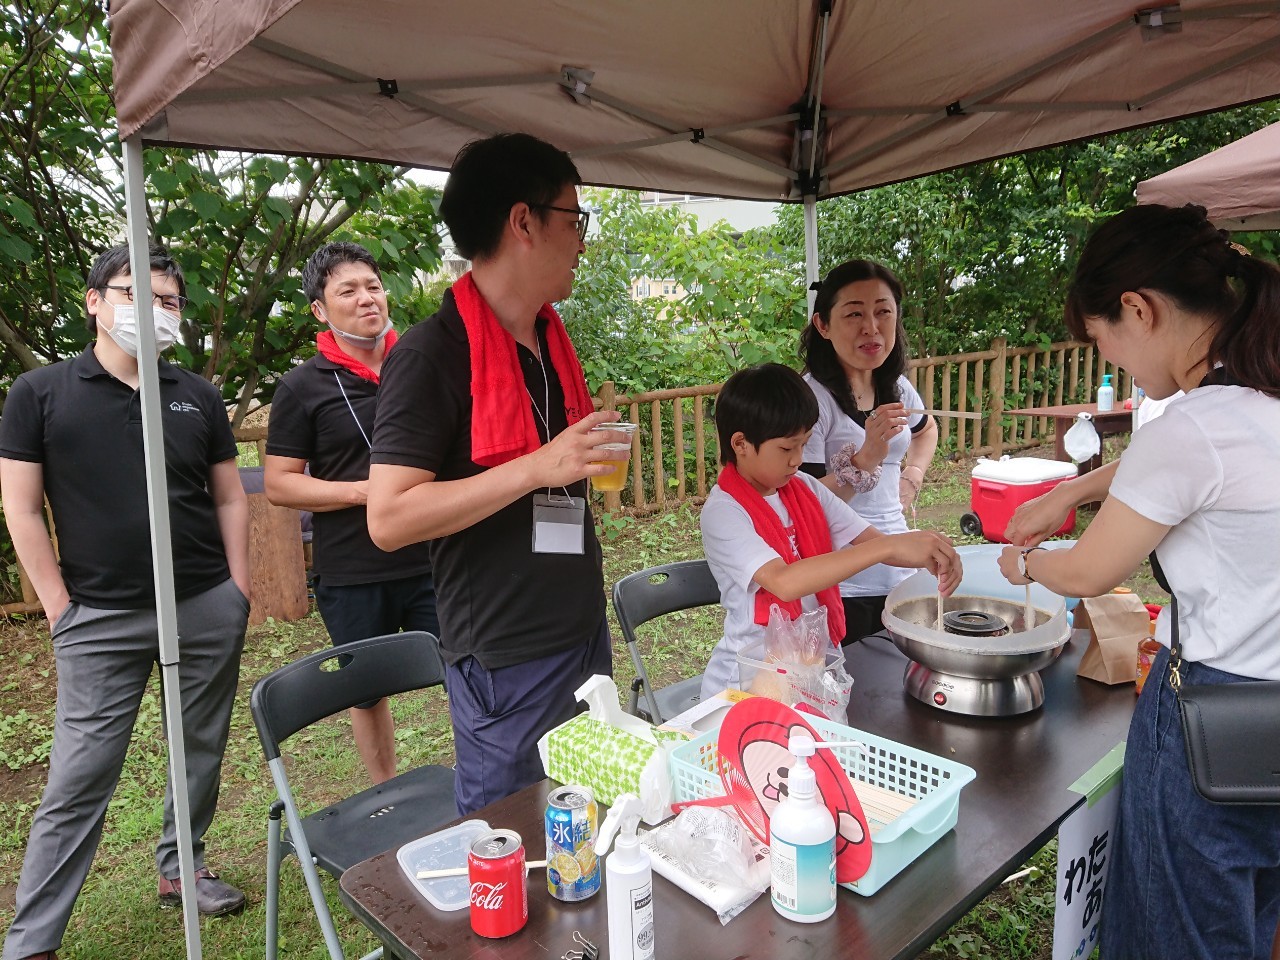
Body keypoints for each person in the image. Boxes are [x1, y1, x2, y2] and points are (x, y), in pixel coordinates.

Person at [996, 203, 1280, 960]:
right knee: (1250, 914)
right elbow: (1203, 469)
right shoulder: (1262, 395)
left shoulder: (1189, 428)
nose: (1118, 365)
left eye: (1105, 342)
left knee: (1175, 928)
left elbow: (1089, 569)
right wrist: (1072, 491)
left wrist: (1024, 563)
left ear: (1137, 309)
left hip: (1210, 715)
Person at [0, 244, 251, 960]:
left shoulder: (194, 393)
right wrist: (57, 607)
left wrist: (237, 589)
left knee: (198, 749)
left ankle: (183, 868)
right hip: (98, 620)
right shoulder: (40, 393)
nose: (156, 310)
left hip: (204, 604)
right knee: (81, 774)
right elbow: (20, 509)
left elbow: (229, 494)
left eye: (170, 300)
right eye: (137, 294)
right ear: (93, 301)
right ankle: (33, 939)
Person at [365, 133, 626, 816]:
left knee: (588, 820)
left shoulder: (545, 340)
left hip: (577, 625)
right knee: (513, 840)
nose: (581, 240)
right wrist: (539, 466)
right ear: (523, 222)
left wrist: (579, 451)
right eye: (574, 220)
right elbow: (388, 518)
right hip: (507, 656)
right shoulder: (431, 356)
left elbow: (553, 472)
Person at [264, 241, 439, 784]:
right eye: (348, 291)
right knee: (366, 694)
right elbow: (278, 483)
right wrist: (363, 492)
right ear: (320, 309)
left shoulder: (421, 365)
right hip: (354, 570)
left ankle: (483, 778)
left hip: (436, 554)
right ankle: (386, 794)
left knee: (469, 665)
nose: (367, 299)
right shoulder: (301, 387)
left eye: (373, 286)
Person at [700, 363, 961, 699]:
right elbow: (785, 582)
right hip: (746, 681)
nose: (797, 459)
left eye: (804, 444)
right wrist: (888, 549)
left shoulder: (805, 489)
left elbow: (874, 541)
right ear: (741, 444)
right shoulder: (725, 511)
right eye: (786, 448)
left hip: (805, 670)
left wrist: (930, 551)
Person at [799, 259, 940, 644]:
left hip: (901, 573)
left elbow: (927, 431)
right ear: (823, 326)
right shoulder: (811, 400)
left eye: (883, 312)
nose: (872, 328)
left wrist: (913, 475)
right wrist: (866, 458)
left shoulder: (895, 387)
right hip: (845, 584)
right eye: (854, 314)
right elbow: (802, 502)